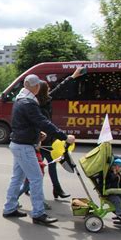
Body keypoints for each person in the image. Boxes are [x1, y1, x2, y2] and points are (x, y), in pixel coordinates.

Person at [2, 74, 75, 225]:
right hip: (24, 146)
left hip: (17, 143)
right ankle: (38, 213)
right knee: (36, 179)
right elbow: (43, 121)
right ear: (34, 87)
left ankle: (9, 208)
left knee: (17, 178)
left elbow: (24, 122)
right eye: (38, 86)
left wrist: (37, 134)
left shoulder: (20, 99)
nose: (38, 88)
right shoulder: (29, 102)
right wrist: (64, 137)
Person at [40, 67, 86, 199]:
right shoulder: (36, 104)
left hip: (48, 140)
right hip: (39, 140)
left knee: (51, 164)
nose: (50, 90)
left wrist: (73, 76)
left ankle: (57, 189)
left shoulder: (47, 99)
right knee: (38, 169)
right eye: (47, 88)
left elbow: (60, 87)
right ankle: (25, 188)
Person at [104, 158, 121, 223]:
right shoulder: (110, 174)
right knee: (117, 201)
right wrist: (114, 174)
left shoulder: (118, 174)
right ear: (113, 166)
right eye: (118, 166)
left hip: (116, 193)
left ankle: (118, 214)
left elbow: (120, 184)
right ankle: (120, 214)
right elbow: (111, 180)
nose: (119, 168)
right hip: (110, 194)